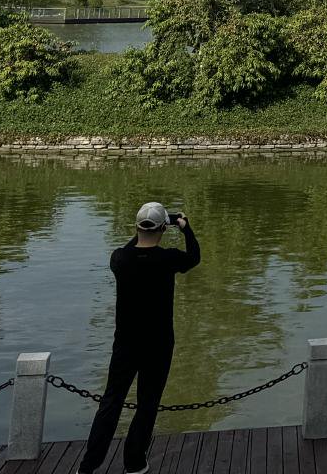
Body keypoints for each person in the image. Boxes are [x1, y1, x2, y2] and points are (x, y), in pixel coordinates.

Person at [77, 202, 201, 474]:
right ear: (161, 230)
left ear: (136, 228)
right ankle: (134, 462)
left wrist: (144, 230)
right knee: (147, 403)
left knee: (111, 402)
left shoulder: (120, 259)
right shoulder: (168, 259)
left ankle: (88, 466)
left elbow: (132, 246)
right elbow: (194, 256)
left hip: (125, 343)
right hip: (158, 343)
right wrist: (184, 228)